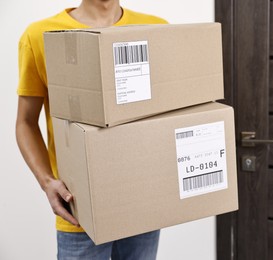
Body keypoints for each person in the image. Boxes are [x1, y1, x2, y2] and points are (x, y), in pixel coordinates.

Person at [15, 0, 167, 259]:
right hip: (79, 210)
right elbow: (25, 122)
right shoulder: (40, 34)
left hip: (141, 205)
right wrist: (47, 182)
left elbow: (172, 111)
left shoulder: (156, 29)